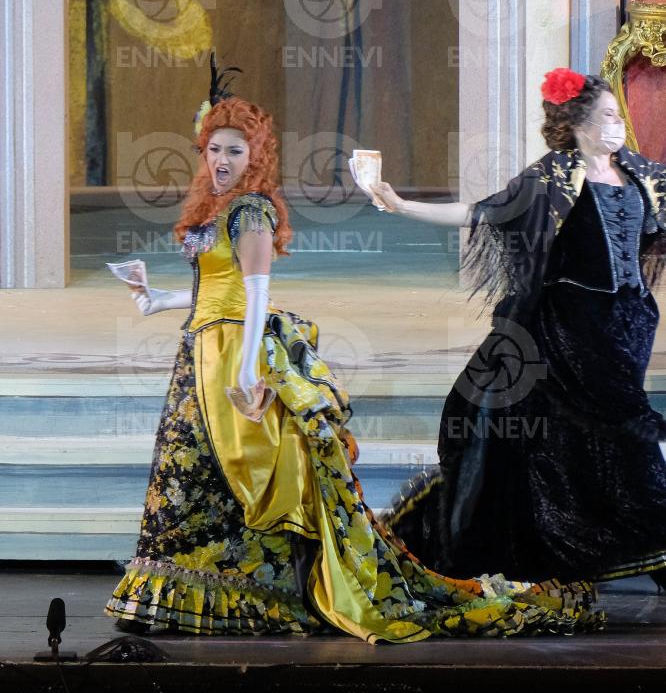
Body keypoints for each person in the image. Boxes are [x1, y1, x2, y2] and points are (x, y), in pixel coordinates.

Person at [104, 58, 607, 640]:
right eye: (214, 149)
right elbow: (216, 291)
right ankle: (209, 587)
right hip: (202, 351)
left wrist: (246, 373)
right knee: (196, 474)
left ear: (255, 156)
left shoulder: (250, 210)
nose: (222, 159)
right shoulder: (215, 209)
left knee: (236, 473)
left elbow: (256, 294)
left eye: (235, 151)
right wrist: (154, 299)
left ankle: (261, 592)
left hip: (234, 356)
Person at [370, 68, 666, 592]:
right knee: (625, 425)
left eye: (618, 116)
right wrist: (403, 205)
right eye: (608, 116)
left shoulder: (643, 173)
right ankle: (647, 538)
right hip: (574, 325)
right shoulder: (551, 176)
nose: (619, 125)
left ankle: (605, 534)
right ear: (580, 123)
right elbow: (482, 212)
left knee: (593, 434)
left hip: (630, 323)